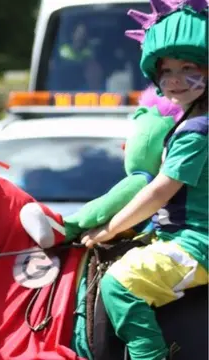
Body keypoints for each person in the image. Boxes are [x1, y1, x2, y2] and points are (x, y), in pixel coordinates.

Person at [81, 2, 208, 359]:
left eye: (189, 67)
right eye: (166, 70)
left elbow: (158, 191)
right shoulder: (188, 122)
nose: (175, 79)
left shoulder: (198, 130)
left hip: (198, 244)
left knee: (119, 285)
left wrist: (108, 229)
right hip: (177, 236)